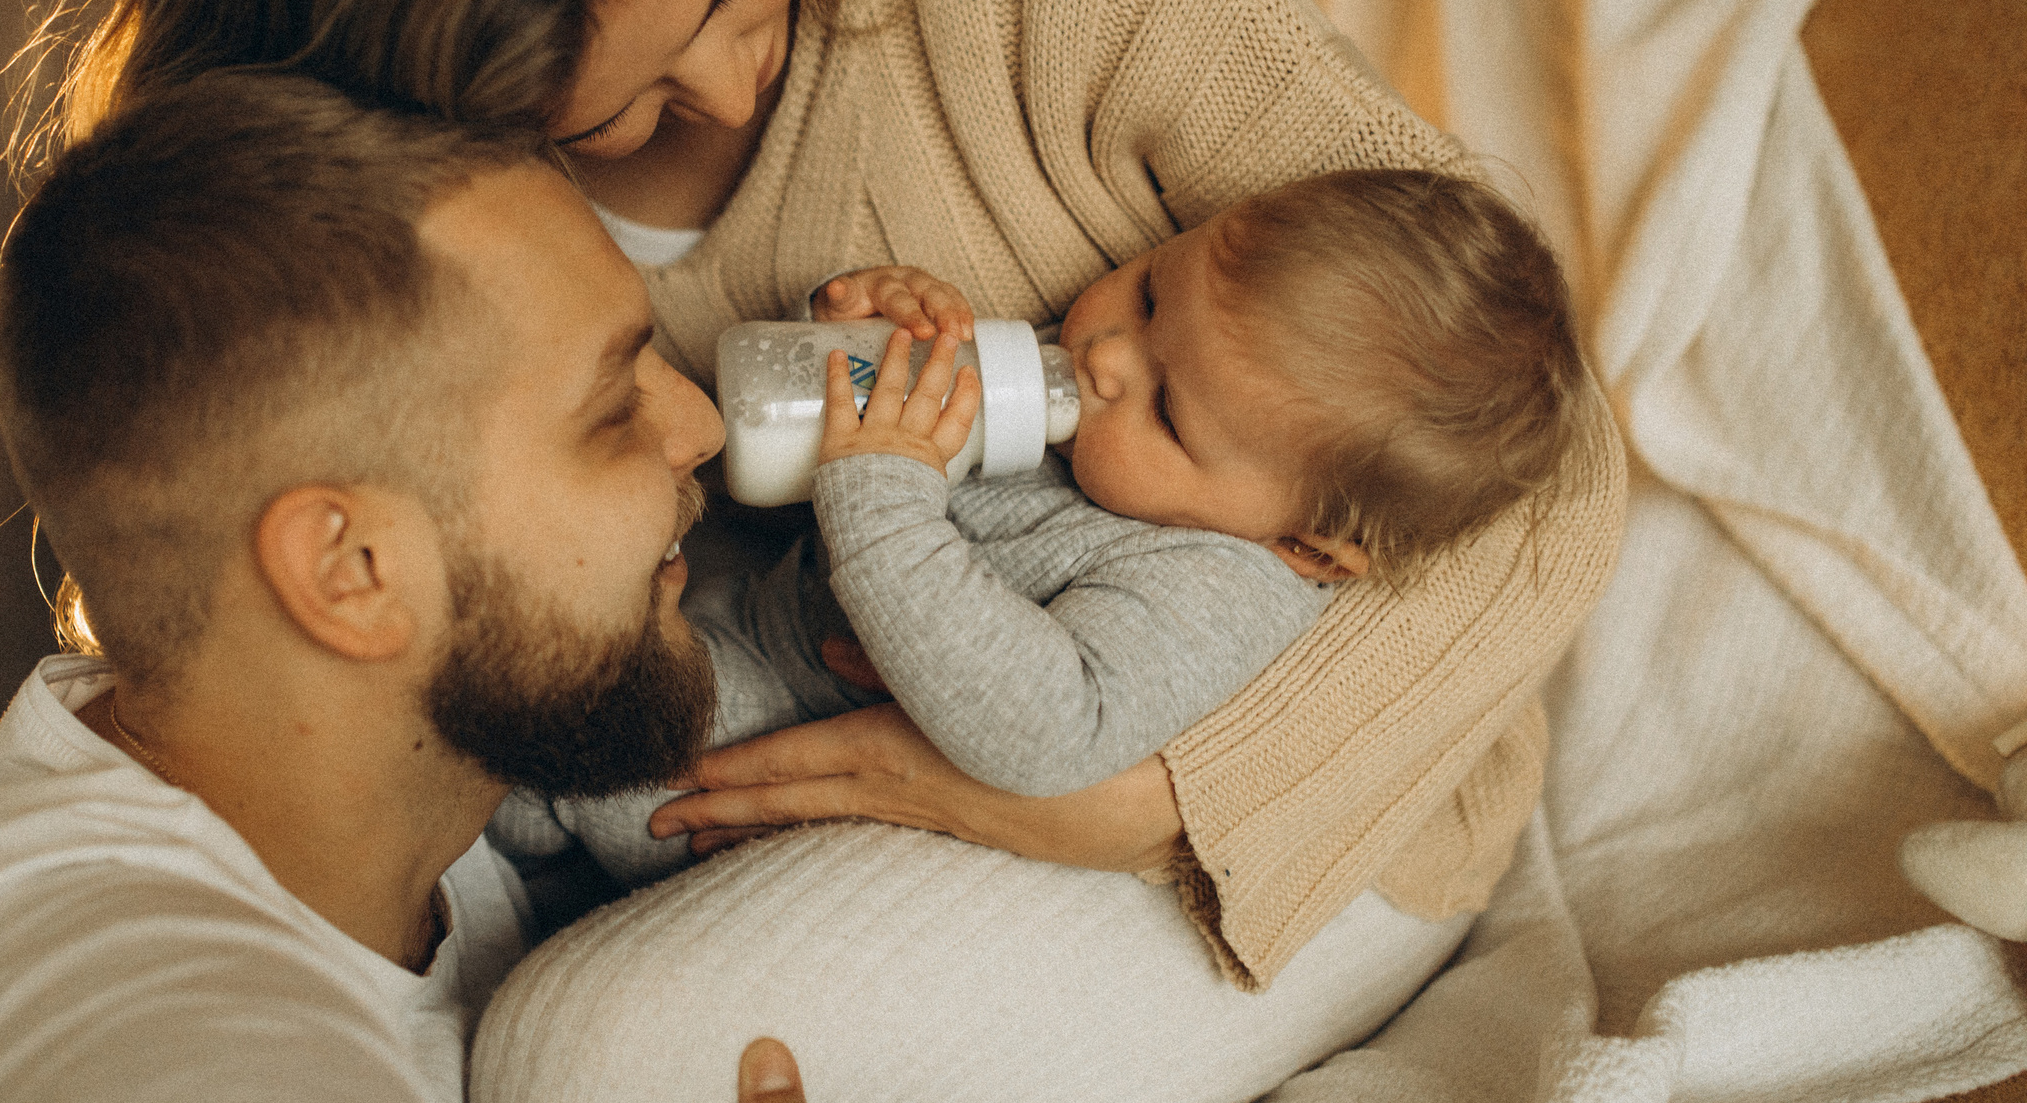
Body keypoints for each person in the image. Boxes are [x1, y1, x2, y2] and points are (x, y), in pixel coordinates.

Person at [18, 0, 1626, 1103]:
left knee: (584, 1083)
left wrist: (1161, 795)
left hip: (1280, 818)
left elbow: (1545, 466)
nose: (729, 85)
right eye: (611, 111)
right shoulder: (396, 184)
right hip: (745, 740)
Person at [0, 71, 999, 1103]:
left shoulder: (397, 810)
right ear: (352, 573)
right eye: (608, 406)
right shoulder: (130, 1004)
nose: (697, 428)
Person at [500, 170, 1592, 893]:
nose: (1109, 357)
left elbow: (1042, 729)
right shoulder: (1107, 414)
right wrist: (879, 339)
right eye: (1156, 293)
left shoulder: (1216, 587)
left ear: (1304, 546)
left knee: (588, 766)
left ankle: (509, 827)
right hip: (752, 605)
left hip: (793, 730)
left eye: (1168, 408)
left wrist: (882, 486)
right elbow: (846, 433)